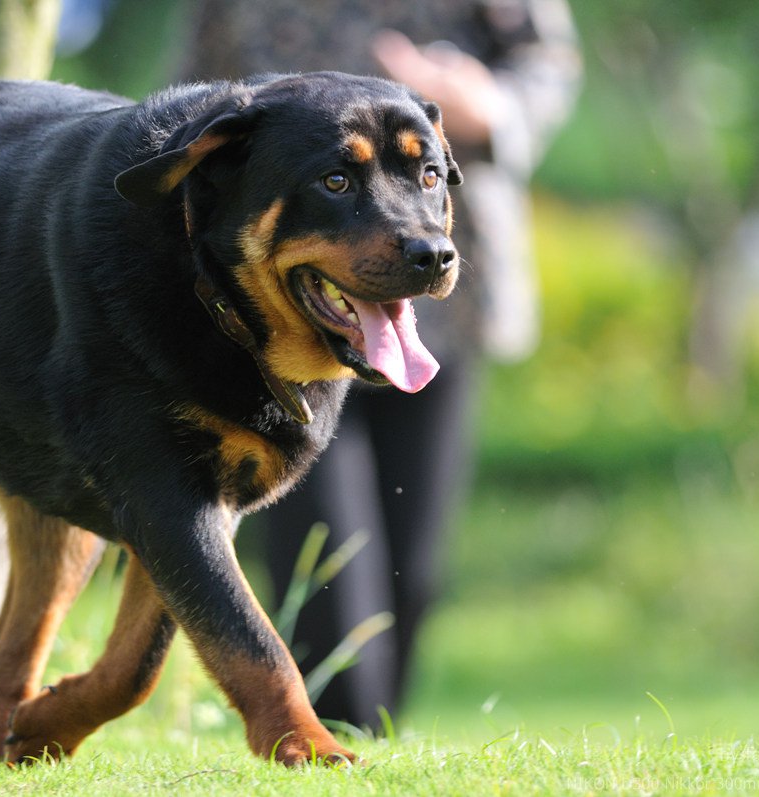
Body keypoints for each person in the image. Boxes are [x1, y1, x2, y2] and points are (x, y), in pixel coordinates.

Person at [179, 0, 580, 729]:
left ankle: (372, 743)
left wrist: (491, 108)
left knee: (410, 571)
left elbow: (547, 61)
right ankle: (330, 738)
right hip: (283, 297)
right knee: (328, 568)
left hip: (436, 292)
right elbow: (196, 90)